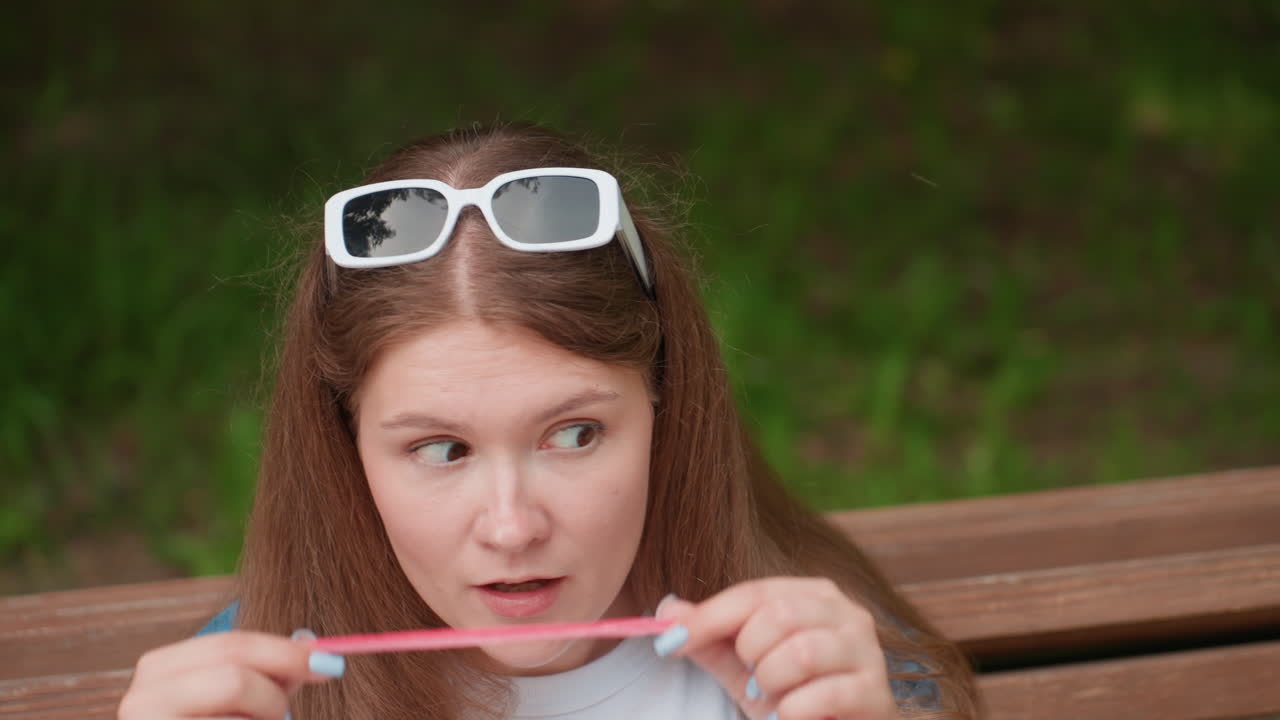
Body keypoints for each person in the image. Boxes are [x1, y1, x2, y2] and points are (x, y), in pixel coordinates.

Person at [118, 123, 979, 720]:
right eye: (441, 449)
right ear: (346, 449)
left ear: (666, 409)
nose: (512, 528)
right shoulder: (252, 691)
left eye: (574, 436)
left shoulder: (832, 670)